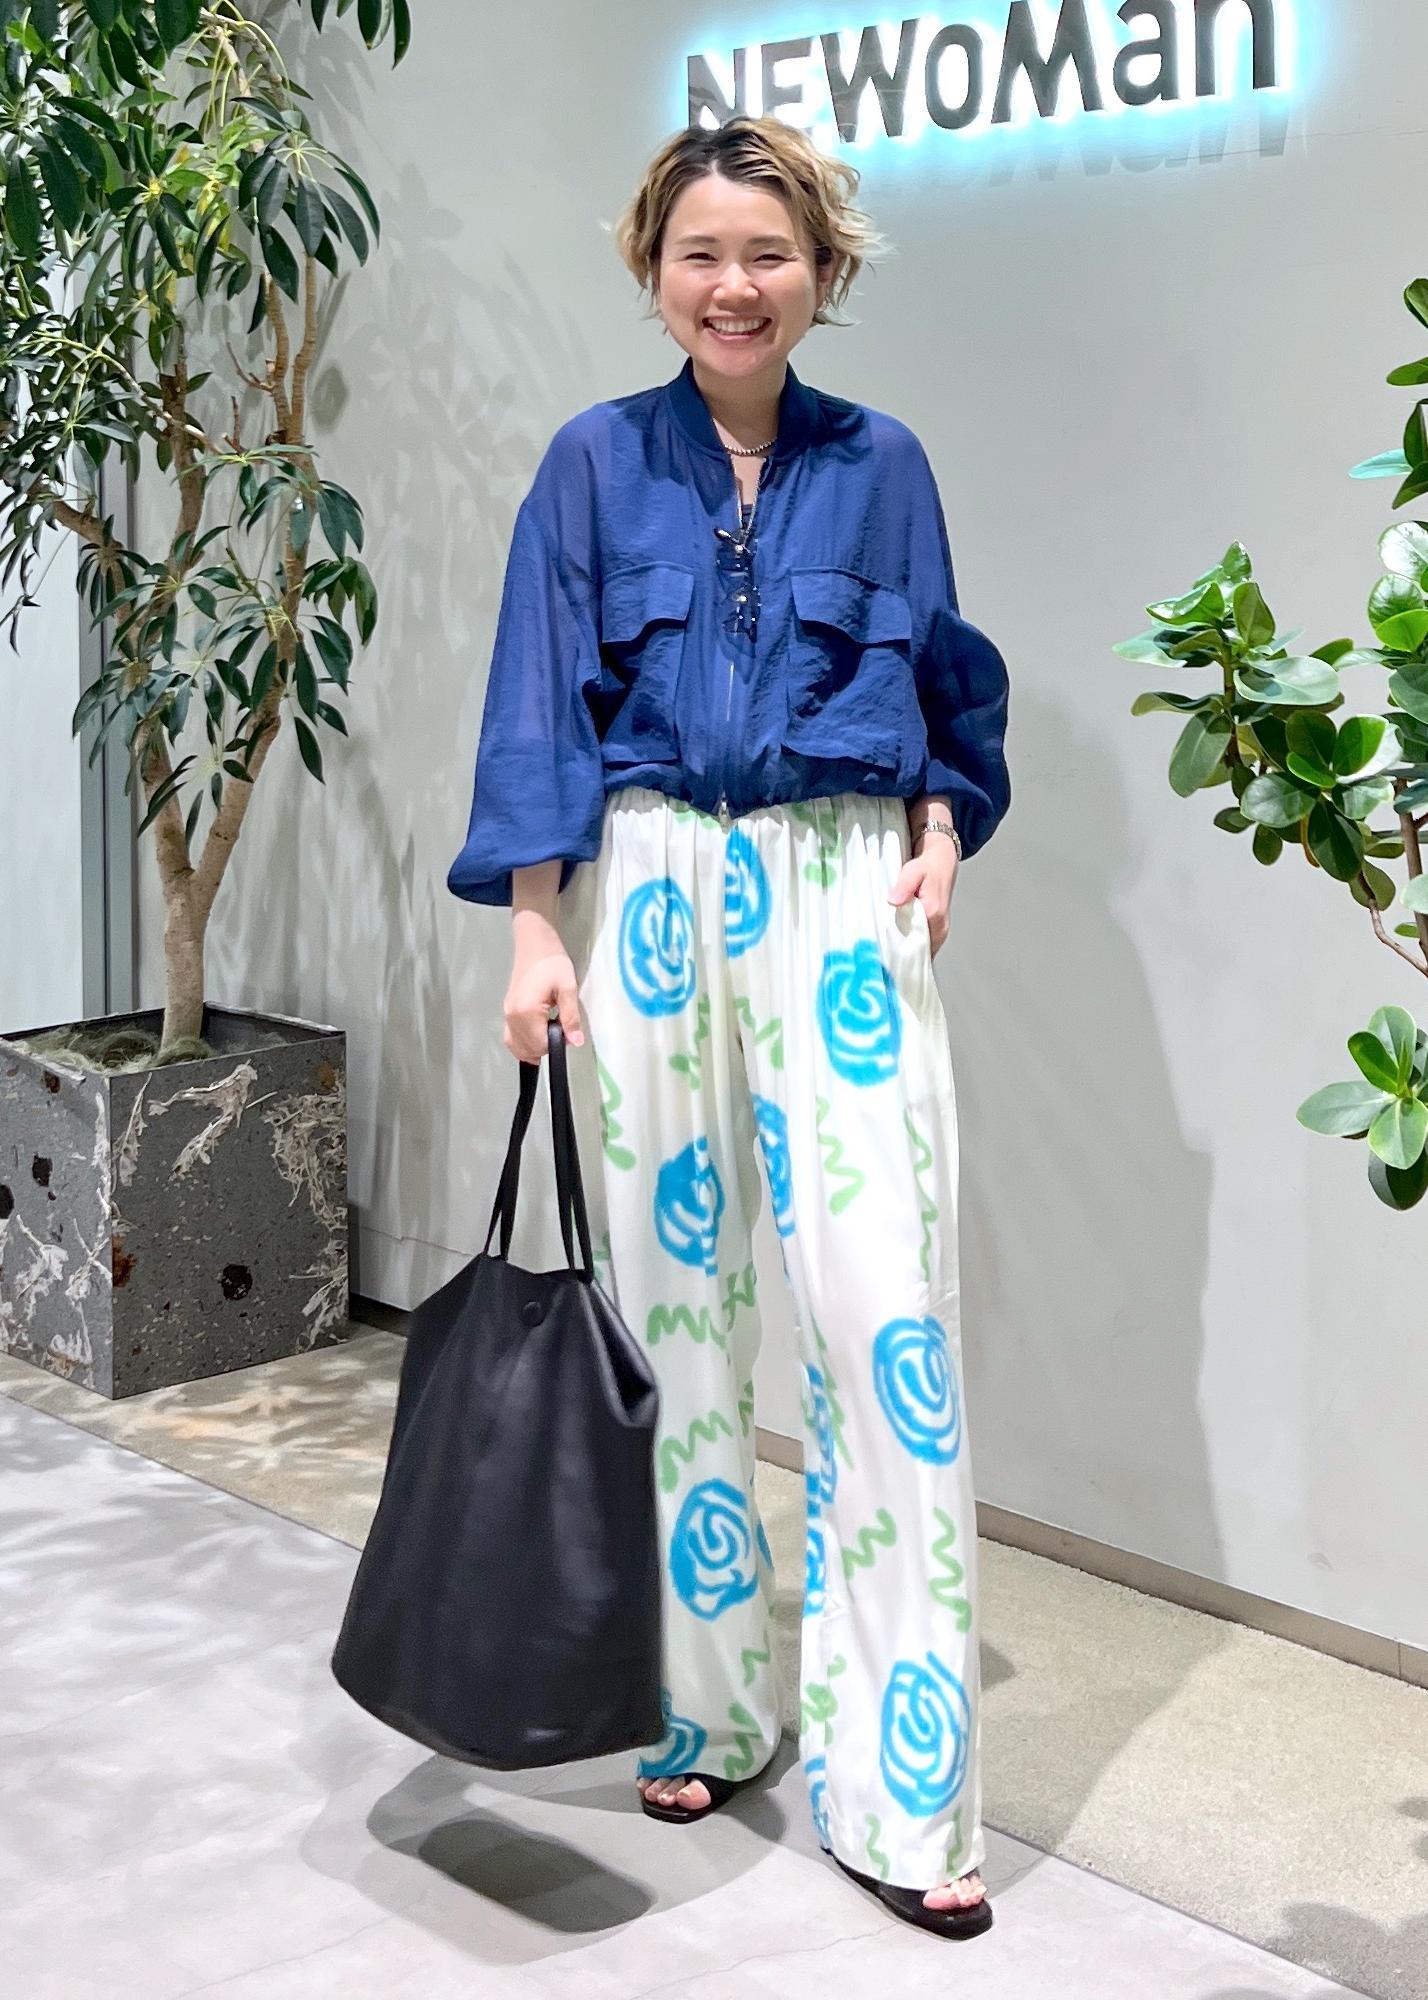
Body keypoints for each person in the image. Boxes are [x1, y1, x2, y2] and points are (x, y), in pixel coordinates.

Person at [447, 113, 1011, 1942]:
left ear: (822, 272)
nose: (734, 284)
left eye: (769, 253)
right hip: (649, 883)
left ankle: (901, 1788)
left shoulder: (885, 463)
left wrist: (942, 834)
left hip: (840, 886)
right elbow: (539, 694)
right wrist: (536, 933)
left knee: (884, 1319)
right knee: (676, 1324)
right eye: (701, 251)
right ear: (653, 268)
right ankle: (705, 1704)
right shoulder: (593, 463)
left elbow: (945, 684)